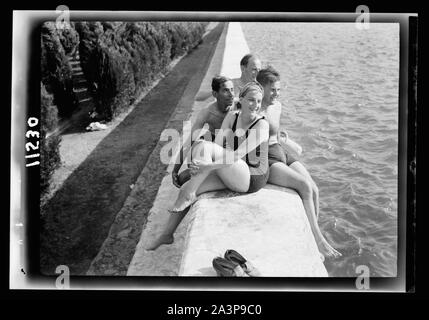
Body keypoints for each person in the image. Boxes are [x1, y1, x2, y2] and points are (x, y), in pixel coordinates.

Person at [147, 82, 269, 250]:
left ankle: (189, 193)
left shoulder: (262, 125)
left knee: (202, 151)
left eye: (259, 101)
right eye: (251, 100)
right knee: (190, 183)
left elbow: (237, 154)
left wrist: (207, 167)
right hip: (232, 169)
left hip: (251, 176)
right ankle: (166, 234)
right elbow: (218, 144)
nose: (256, 105)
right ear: (241, 99)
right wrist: (203, 164)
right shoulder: (233, 117)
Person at [256, 66, 342, 259]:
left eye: (279, 89)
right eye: (272, 90)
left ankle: (313, 233)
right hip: (267, 159)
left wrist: (284, 137)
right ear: (260, 88)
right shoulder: (253, 108)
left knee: (315, 190)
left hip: (281, 151)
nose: (276, 94)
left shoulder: (277, 106)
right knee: (304, 187)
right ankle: (318, 241)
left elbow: (275, 131)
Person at [172, 76, 235, 188]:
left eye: (232, 89)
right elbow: (189, 141)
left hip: (227, 145)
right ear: (215, 94)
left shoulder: (238, 107)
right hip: (210, 141)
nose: (231, 94)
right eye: (226, 90)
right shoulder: (207, 112)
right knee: (182, 178)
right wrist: (175, 170)